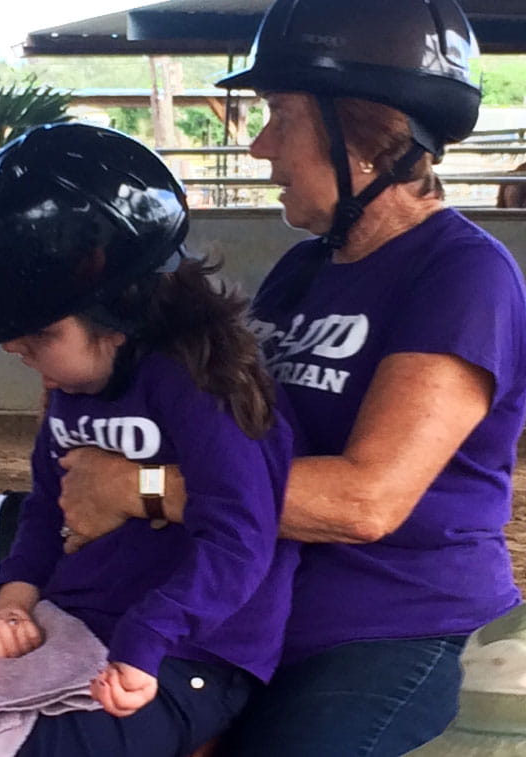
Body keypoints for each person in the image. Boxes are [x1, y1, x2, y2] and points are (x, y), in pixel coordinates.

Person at [54, 1, 526, 755]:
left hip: (388, 625)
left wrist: (138, 488)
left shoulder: (462, 275)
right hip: (255, 611)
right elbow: (229, 433)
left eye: (279, 115)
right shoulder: (302, 270)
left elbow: (367, 498)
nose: (258, 147)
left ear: (363, 134)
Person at [0, 121, 300, 757]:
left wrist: (146, 639)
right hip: (85, 624)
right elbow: (48, 507)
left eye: (38, 333)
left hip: (193, 652)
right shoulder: (76, 387)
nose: (15, 347)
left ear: (119, 314)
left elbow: (239, 540)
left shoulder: (199, 387)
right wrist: (14, 600)